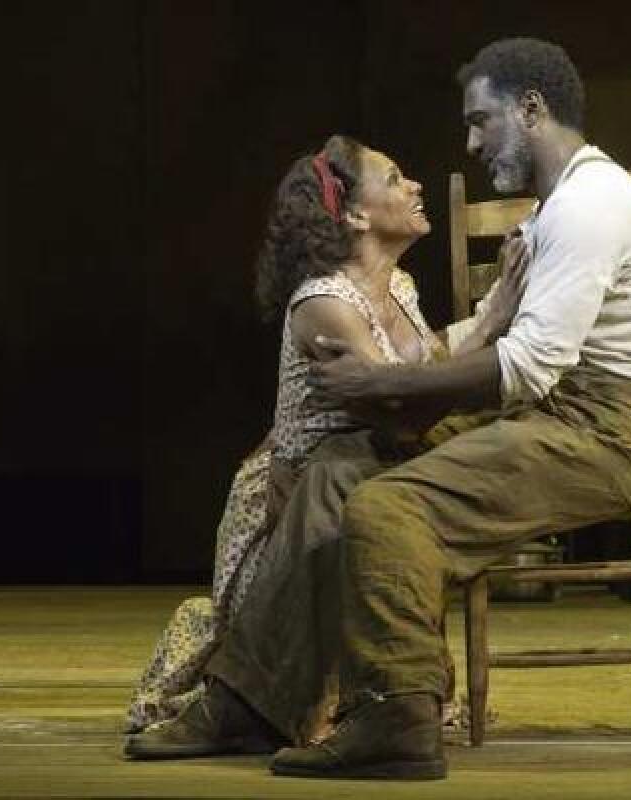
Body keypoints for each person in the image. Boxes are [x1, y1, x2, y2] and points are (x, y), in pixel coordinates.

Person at [128, 36, 631, 781]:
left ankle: (398, 713)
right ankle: (245, 699)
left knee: (390, 511)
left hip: (609, 432)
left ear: (531, 109)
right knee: (337, 471)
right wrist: (423, 367)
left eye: (481, 122)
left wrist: (376, 388)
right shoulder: (563, 205)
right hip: (557, 410)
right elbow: (512, 350)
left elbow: (526, 366)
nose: (471, 142)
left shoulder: (589, 206)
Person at [121, 133, 526, 754]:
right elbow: (397, 410)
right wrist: (493, 331)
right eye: (394, 179)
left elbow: (420, 362)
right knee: (354, 484)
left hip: (365, 470)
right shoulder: (323, 304)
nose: (415, 185)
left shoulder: (402, 289)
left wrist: (496, 309)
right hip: (295, 499)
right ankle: (249, 701)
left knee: (379, 488)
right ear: (357, 215)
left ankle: (362, 700)